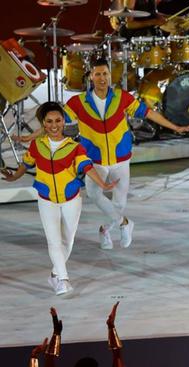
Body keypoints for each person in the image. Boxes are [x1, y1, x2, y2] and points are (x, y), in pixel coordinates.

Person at [19, 59, 189, 250]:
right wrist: (32, 135)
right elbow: (54, 123)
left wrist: (175, 127)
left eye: (105, 74)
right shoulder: (78, 102)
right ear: (90, 77)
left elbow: (148, 113)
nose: (102, 78)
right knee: (95, 194)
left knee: (119, 204)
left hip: (120, 159)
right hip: (95, 159)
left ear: (110, 75)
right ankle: (125, 223)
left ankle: (105, 230)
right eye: (98, 74)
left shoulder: (122, 97)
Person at [2, 102, 118, 296]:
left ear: (64, 122)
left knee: (68, 240)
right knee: (54, 241)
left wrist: (103, 184)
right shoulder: (37, 145)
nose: (54, 125)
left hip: (71, 199)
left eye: (58, 120)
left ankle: (55, 274)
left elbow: (87, 167)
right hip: (46, 198)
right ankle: (63, 280)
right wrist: (14, 176)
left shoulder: (75, 147)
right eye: (49, 121)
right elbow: (26, 163)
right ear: (43, 124)